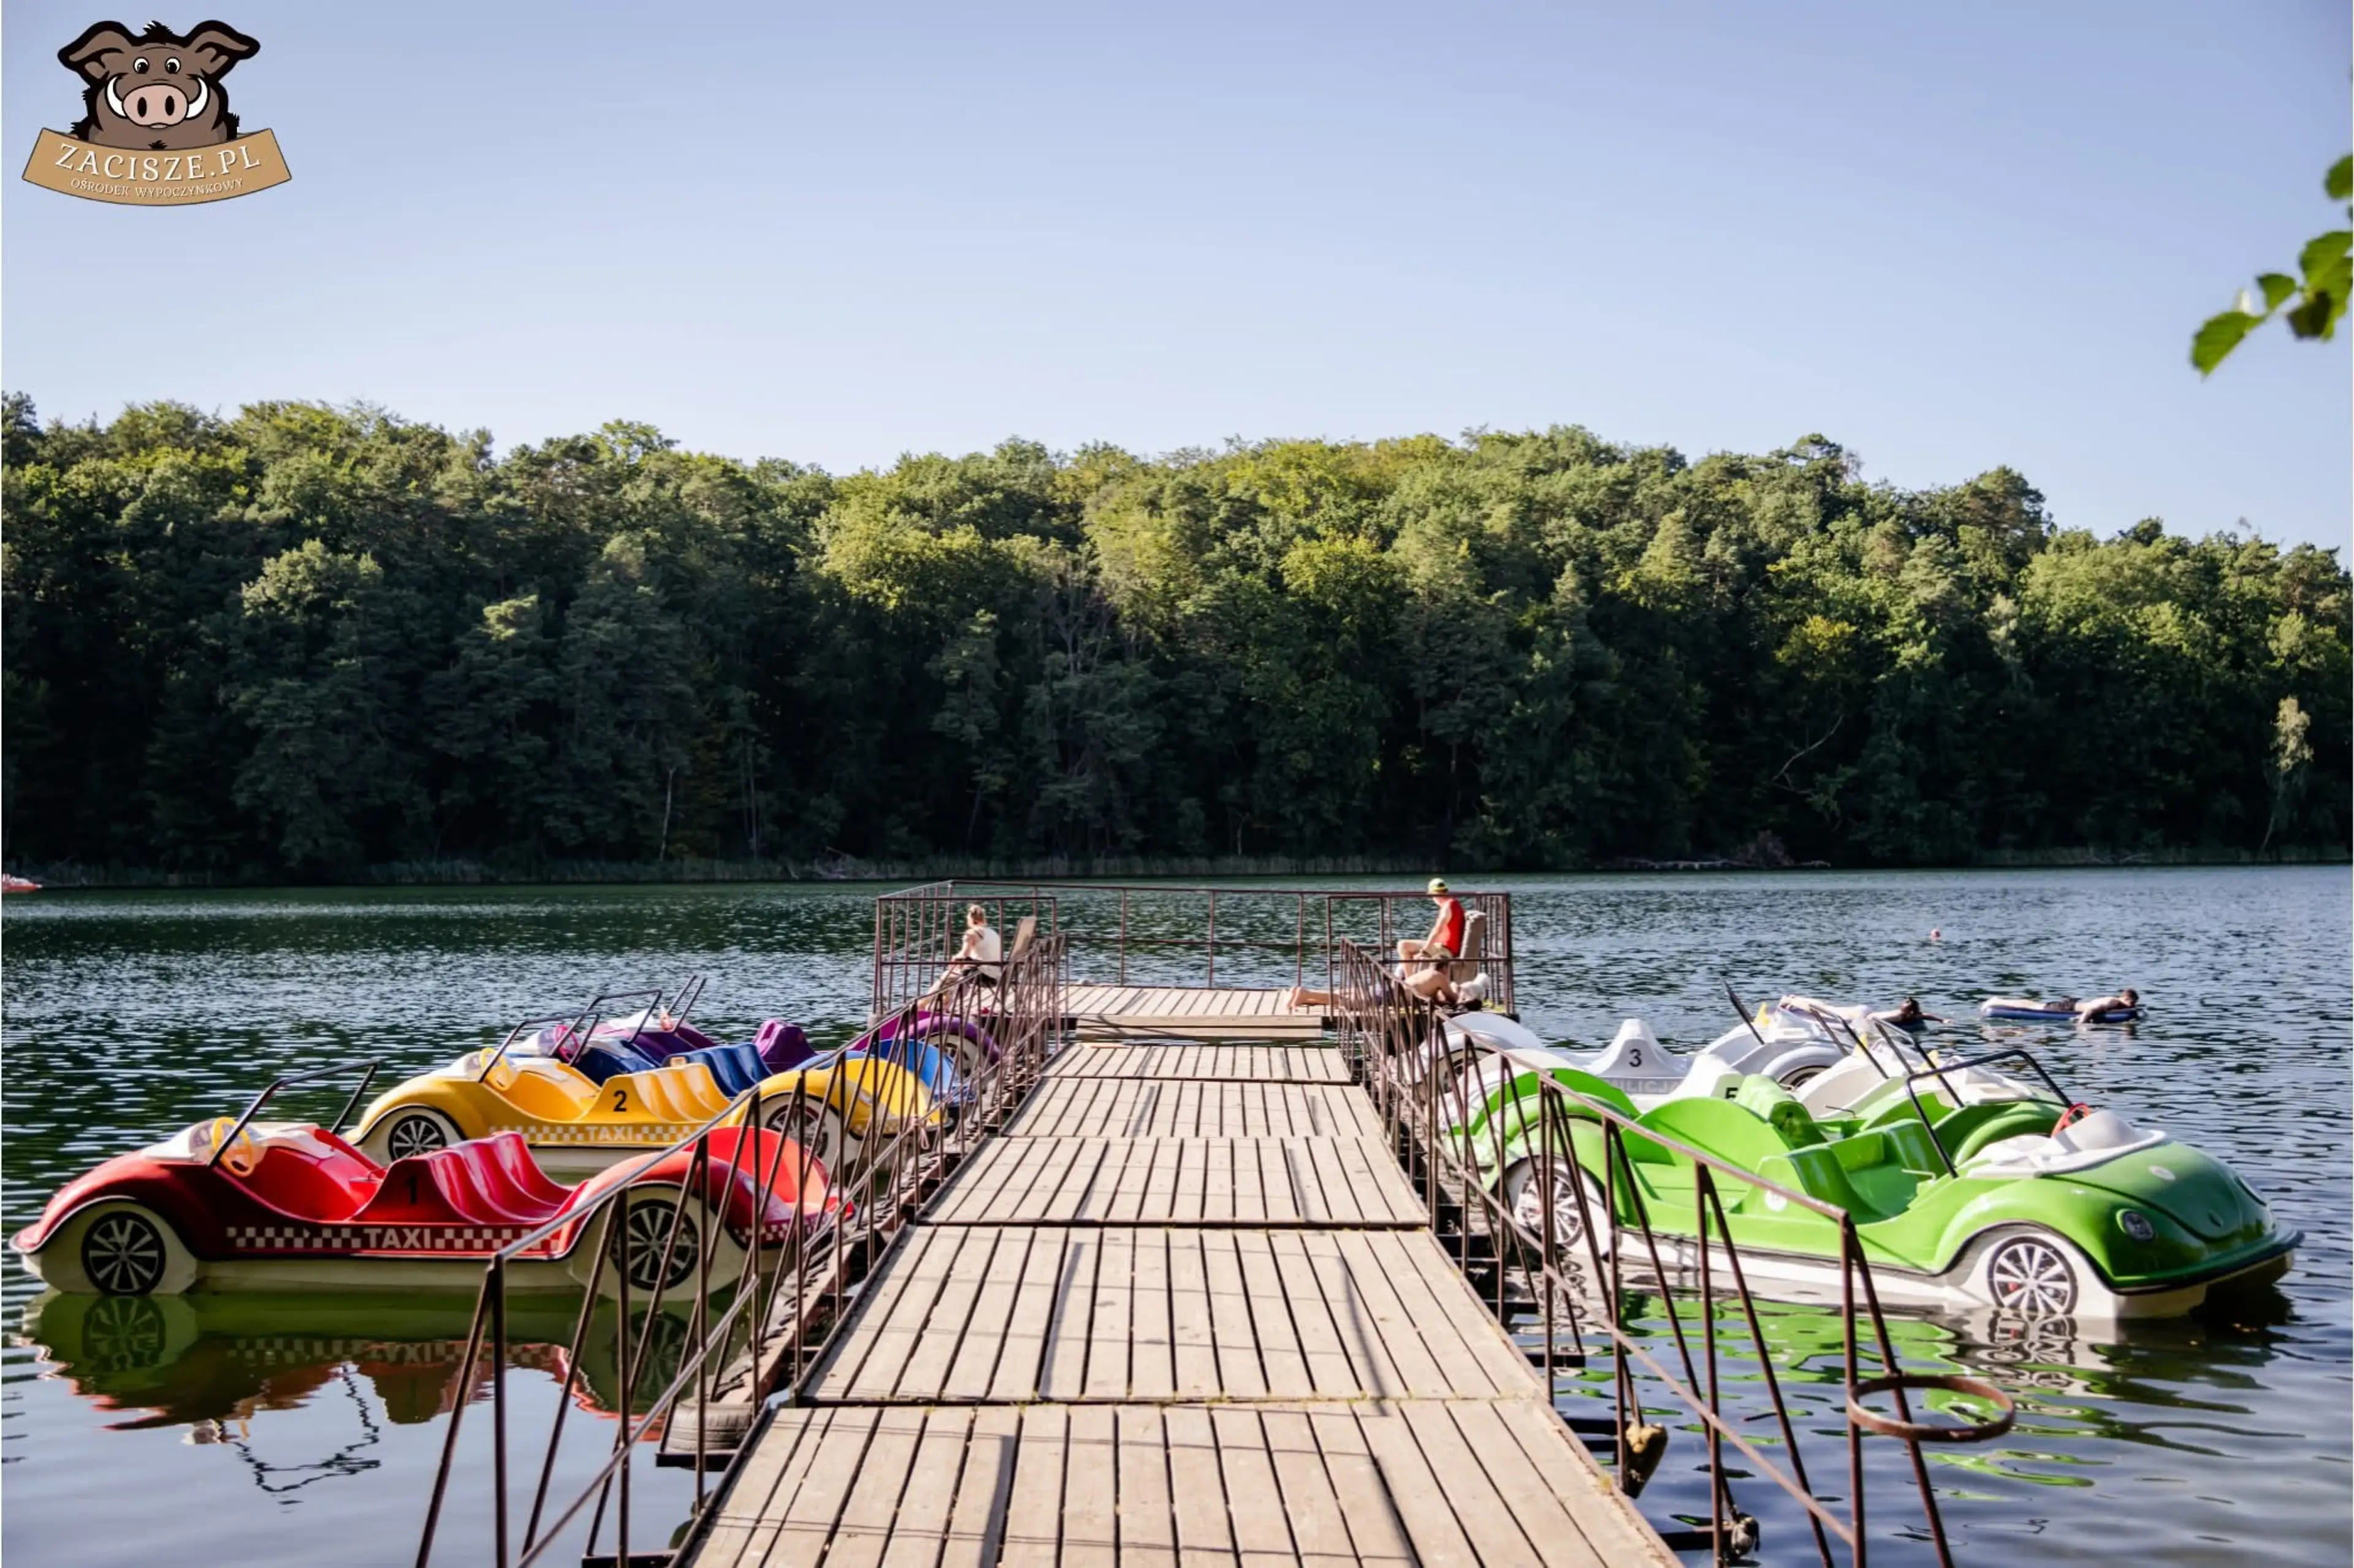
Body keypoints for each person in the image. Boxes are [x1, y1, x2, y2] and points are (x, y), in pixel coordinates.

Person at [925, 904, 1003, 998]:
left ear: (970, 919)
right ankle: (941, 1002)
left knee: (948, 976)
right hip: (997, 973)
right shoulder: (993, 932)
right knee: (958, 972)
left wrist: (954, 959)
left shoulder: (972, 933)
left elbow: (964, 955)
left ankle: (926, 1004)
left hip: (983, 975)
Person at [1398, 878, 1468, 974]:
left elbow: (1437, 930)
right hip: (1445, 948)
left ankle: (1410, 983)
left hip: (1445, 951)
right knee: (1410, 952)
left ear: (1435, 894)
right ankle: (1413, 979)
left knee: (1403, 946)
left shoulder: (1448, 907)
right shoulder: (1454, 903)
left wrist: (1425, 951)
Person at [2073, 988, 2138, 1019]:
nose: (2134, 1005)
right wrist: (2081, 1026)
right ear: (2126, 999)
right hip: (2071, 1007)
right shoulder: (2113, 1002)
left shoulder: (2121, 1004)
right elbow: (2090, 1011)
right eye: (2132, 1002)